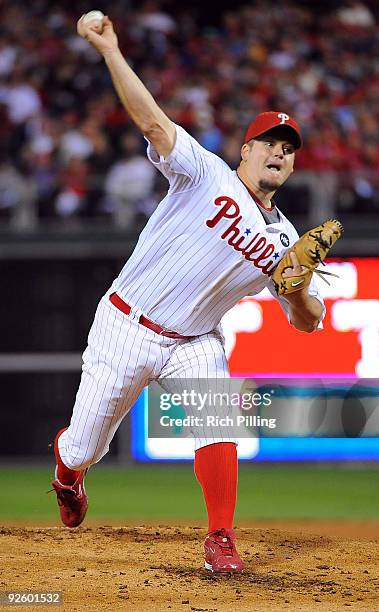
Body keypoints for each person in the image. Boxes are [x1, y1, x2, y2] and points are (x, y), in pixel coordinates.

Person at [51, 14, 325, 574]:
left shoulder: (286, 240)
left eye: (288, 149)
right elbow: (153, 123)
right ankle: (68, 472)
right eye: (269, 142)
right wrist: (109, 51)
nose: (279, 152)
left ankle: (220, 538)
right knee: (84, 447)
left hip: (194, 340)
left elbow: (308, 320)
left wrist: (296, 294)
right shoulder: (206, 173)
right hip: (127, 323)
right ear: (245, 151)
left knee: (219, 419)